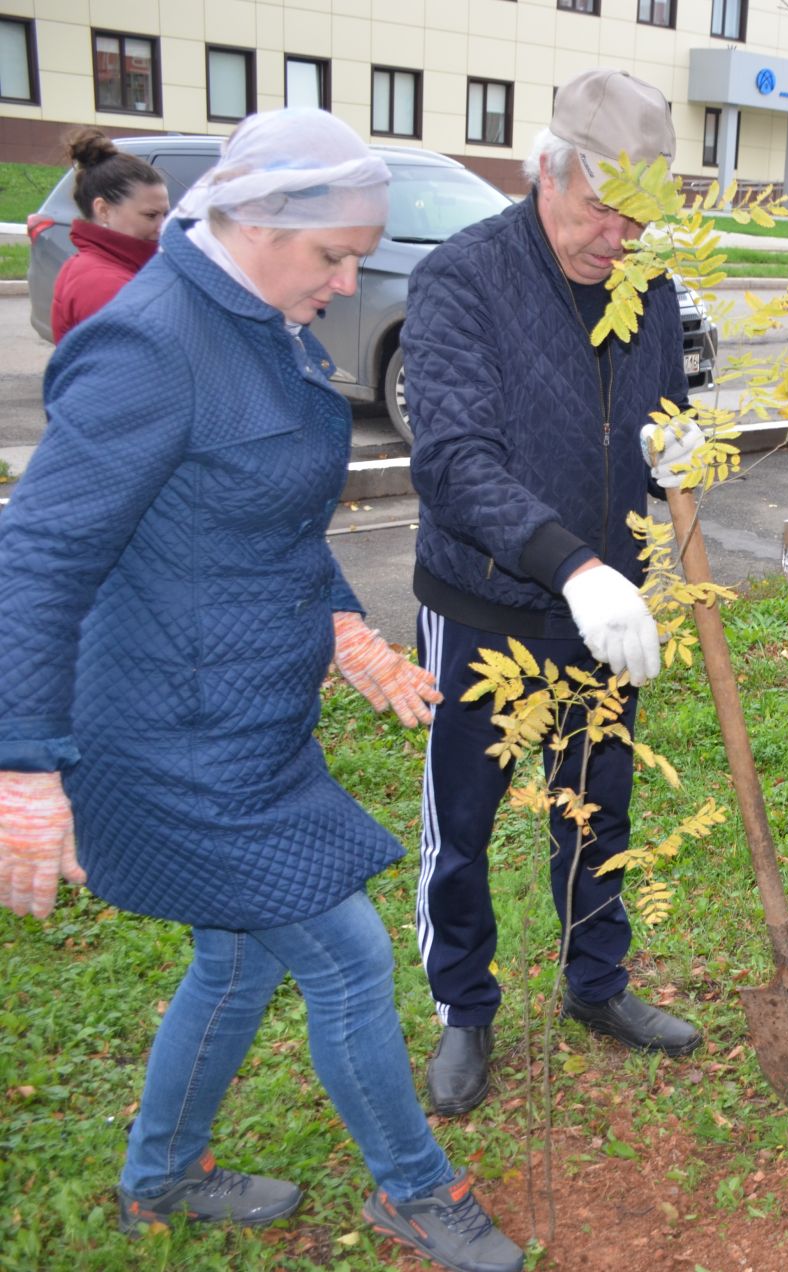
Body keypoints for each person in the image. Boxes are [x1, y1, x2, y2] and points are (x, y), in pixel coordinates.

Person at [0, 110, 522, 1272]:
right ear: (249, 224)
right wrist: (23, 757)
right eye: (334, 254)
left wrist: (345, 624)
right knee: (344, 954)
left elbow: (259, 500)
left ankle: (161, 1176)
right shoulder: (155, 344)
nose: (345, 284)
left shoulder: (257, 316)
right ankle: (416, 1189)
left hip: (248, 713)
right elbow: (39, 550)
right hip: (167, 731)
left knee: (234, 956)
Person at [402, 68, 704, 1119]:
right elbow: (452, 459)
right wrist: (572, 565)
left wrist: (679, 443)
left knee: (599, 802)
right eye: (599, 209)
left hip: (606, 610)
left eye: (639, 216)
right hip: (488, 602)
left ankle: (596, 984)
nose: (616, 237)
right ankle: (465, 1007)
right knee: (467, 817)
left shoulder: (648, 284)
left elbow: (660, 406)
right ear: (548, 168)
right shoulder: (463, 279)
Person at [50, 128, 168, 342]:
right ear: (103, 210)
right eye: (150, 215)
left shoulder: (107, 266)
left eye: (164, 215)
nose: (162, 226)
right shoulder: (103, 284)